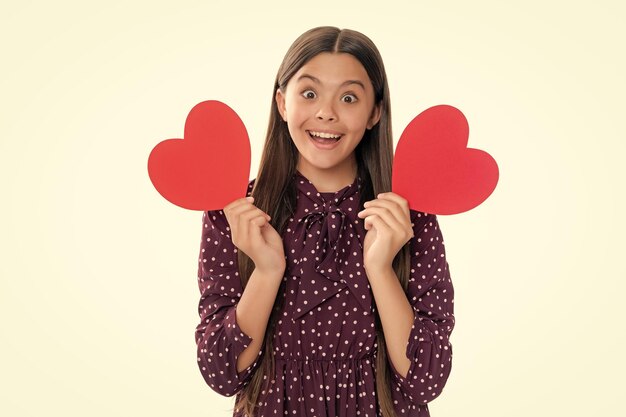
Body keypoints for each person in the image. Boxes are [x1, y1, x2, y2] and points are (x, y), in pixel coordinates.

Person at [194, 26, 454, 417]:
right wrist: (267, 271)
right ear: (282, 103)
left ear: (374, 112)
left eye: (349, 97)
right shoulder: (238, 213)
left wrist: (380, 269)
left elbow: (425, 379)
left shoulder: (407, 217)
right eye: (310, 93)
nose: (326, 112)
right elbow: (221, 374)